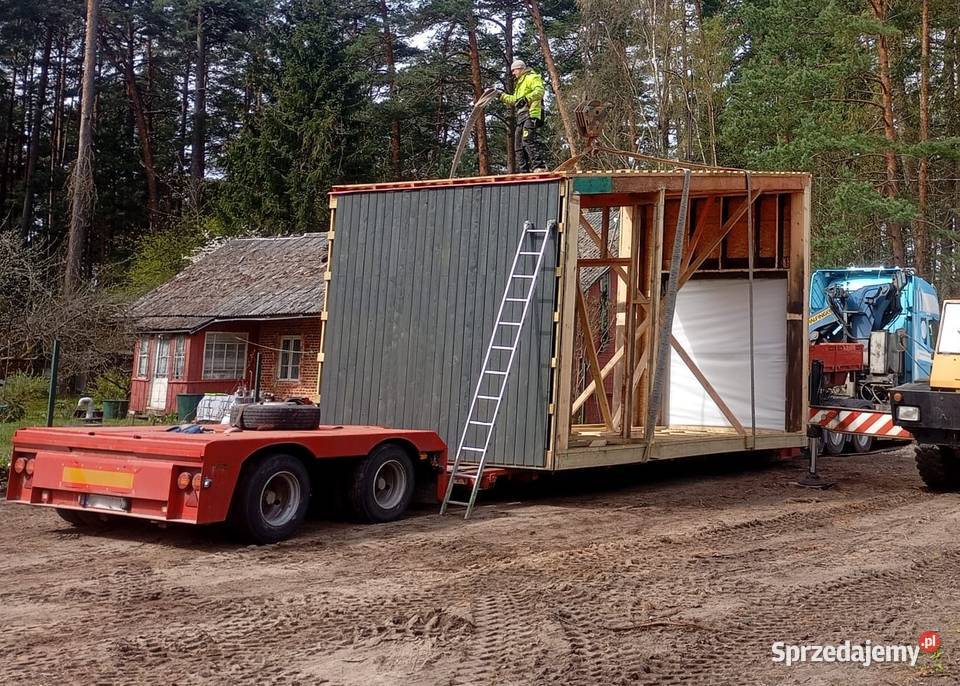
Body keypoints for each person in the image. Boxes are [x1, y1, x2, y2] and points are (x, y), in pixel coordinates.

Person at [496, 60, 547, 173]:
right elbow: (515, 100)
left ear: (520, 69)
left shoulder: (531, 77)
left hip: (531, 114)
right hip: (522, 117)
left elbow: (540, 91)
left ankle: (539, 166)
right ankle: (524, 170)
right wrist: (500, 95)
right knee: (518, 144)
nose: (513, 73)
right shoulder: (519, 84)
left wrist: (526, 99)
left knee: (527, 139)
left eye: (514, 70)